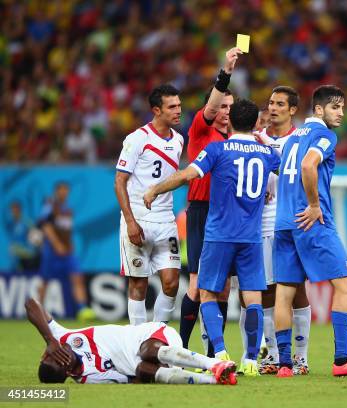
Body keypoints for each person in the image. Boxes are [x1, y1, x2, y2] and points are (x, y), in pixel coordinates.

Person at [144, 98, 280, 377]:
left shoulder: (216, 150)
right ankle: (252, 359)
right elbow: (287, 173)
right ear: (255, 123)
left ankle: (218, 352)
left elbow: (186, 176)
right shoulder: (268, 155)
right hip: (251, 238)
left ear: (230, 121)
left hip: (219, 235)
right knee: (252, 297)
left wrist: (155, 189)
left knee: (206, 293)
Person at [273, 85, 347, 378]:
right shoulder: (325, 136)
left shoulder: (293, 138)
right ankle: (343, 360)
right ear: (318, 109)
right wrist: (314, 204)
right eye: (335, 107)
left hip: (284, 222)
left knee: (285, 293)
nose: (341, 113)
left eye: (342, 108)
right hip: (311, 221)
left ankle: (284, 365)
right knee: (345, 286)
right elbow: (309, 166)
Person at [179, 47, 240, 353]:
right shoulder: (201, 131)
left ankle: (215, 351)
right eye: (220, 105)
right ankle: (181, 348)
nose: (224, 110)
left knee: (225, 287)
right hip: (202, 213)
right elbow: (213, 102)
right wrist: (225, 73)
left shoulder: (238, 140)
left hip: (227, 215)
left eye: (229, 106)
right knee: (197, 284)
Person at [26, 299, 236, 385]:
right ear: (66, 373)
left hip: (151, 336)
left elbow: (31, 303)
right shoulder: (89, 377)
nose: (64, 354)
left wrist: (50, 339)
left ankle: (214, 365)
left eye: (56, 354)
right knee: (143, 370)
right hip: (158, 363)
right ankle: (215, 380)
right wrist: (150, 376)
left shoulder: (61, 337)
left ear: (47, 353)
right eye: (62, 362)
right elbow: (129, 380)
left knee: (147, 351)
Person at [250, 86, 312, 376]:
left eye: (280, 104)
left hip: (290, 223)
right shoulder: (256, 140)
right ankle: (273, 355)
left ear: (293, 110)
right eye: (271, 103)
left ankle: (300, 357)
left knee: (296, 290)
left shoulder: (301, 140)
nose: (272, 108)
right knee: (266, 292)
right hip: (261, 225)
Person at [114, 84, 184, 325]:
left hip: (166, 220)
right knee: (139, 282)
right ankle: (137, 340)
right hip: (139, 219)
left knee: (172, 282)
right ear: (156, 110)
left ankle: (157, 337)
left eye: (179, 105)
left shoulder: (178, 140)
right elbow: (120, 181)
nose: (178, 110)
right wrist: (131, 222)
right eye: (172, 106)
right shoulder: (137, 139)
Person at [38, 182, 95, 321]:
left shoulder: (68, 209)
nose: (64, 192)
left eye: (66, 190)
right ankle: (39, 311)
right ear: (56, 191)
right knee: (45, 281)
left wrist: (70, 243)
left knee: (77, 278)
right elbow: (45, 226)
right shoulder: (50, 206)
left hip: (68, 252)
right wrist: (57, 244)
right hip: (52, 252)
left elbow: (66, 229)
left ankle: (82, 309)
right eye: (62, 190)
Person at [7, 201, 39, 272]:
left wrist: (26, 251)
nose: (12, 212)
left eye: (14, 209)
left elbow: (36, 240)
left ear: (19, 209)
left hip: (26, 258)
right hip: (16, 258)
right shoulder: (11, 224)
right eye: (11, 210)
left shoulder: (27, 222)